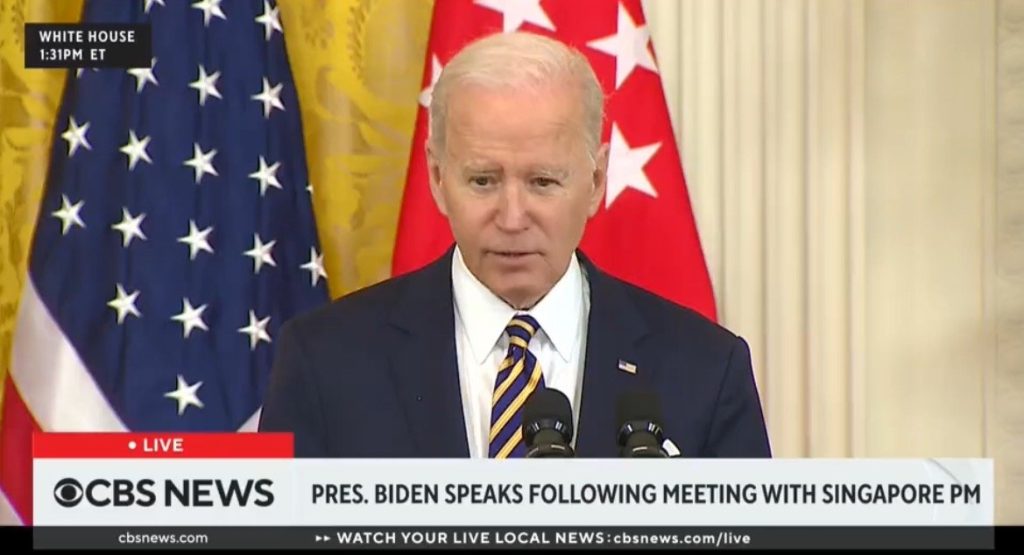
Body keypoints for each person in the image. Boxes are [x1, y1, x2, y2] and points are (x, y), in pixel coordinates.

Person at [258, 31, 771, 458]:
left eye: (543, 182)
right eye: (483, 181)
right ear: (437, 177)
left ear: (596, 181)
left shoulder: (705, 370)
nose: (511, 217)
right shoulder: (324, 362)